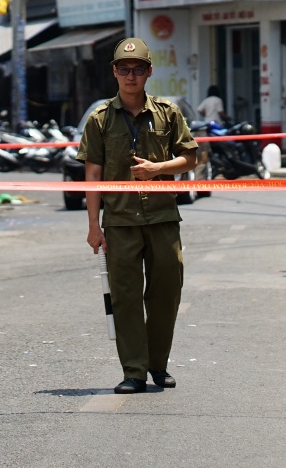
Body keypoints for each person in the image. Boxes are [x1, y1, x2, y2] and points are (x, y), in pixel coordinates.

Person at [77, 38, 199, 395]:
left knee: (166, 292)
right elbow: (93, 176)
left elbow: (191, 158)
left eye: (138, 69)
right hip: (120, 222)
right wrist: (93, 228)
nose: (131, 76)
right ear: (114, 72)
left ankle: (157, 365)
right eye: (124, 69)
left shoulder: (167, 112)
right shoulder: (99, 120)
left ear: (149, 72)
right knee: (125, 297)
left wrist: (158, 168)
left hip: (162, 218)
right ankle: (133, 370)